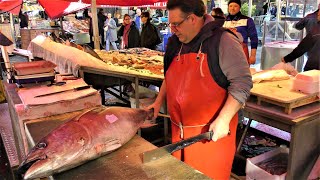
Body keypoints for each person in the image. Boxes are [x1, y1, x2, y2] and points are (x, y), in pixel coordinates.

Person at [147, 0, 252, 179]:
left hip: (210, 137)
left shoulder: (223, 40)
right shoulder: (175, 42)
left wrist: (224, 119)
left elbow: (242, 84)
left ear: (193, 19)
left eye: (176, 24)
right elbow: (170, 77)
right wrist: (158, 102)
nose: (172, 29)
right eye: (170, 24)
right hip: (178, 135)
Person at [223, 0, 258, 65]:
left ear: (239, 8)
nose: (232, 8)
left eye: (235, 6)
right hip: (225, 52)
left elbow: (254, 39)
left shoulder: (247, 20)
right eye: (230, 6)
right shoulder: (223, 21)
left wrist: (253, 55)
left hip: (241, 51)